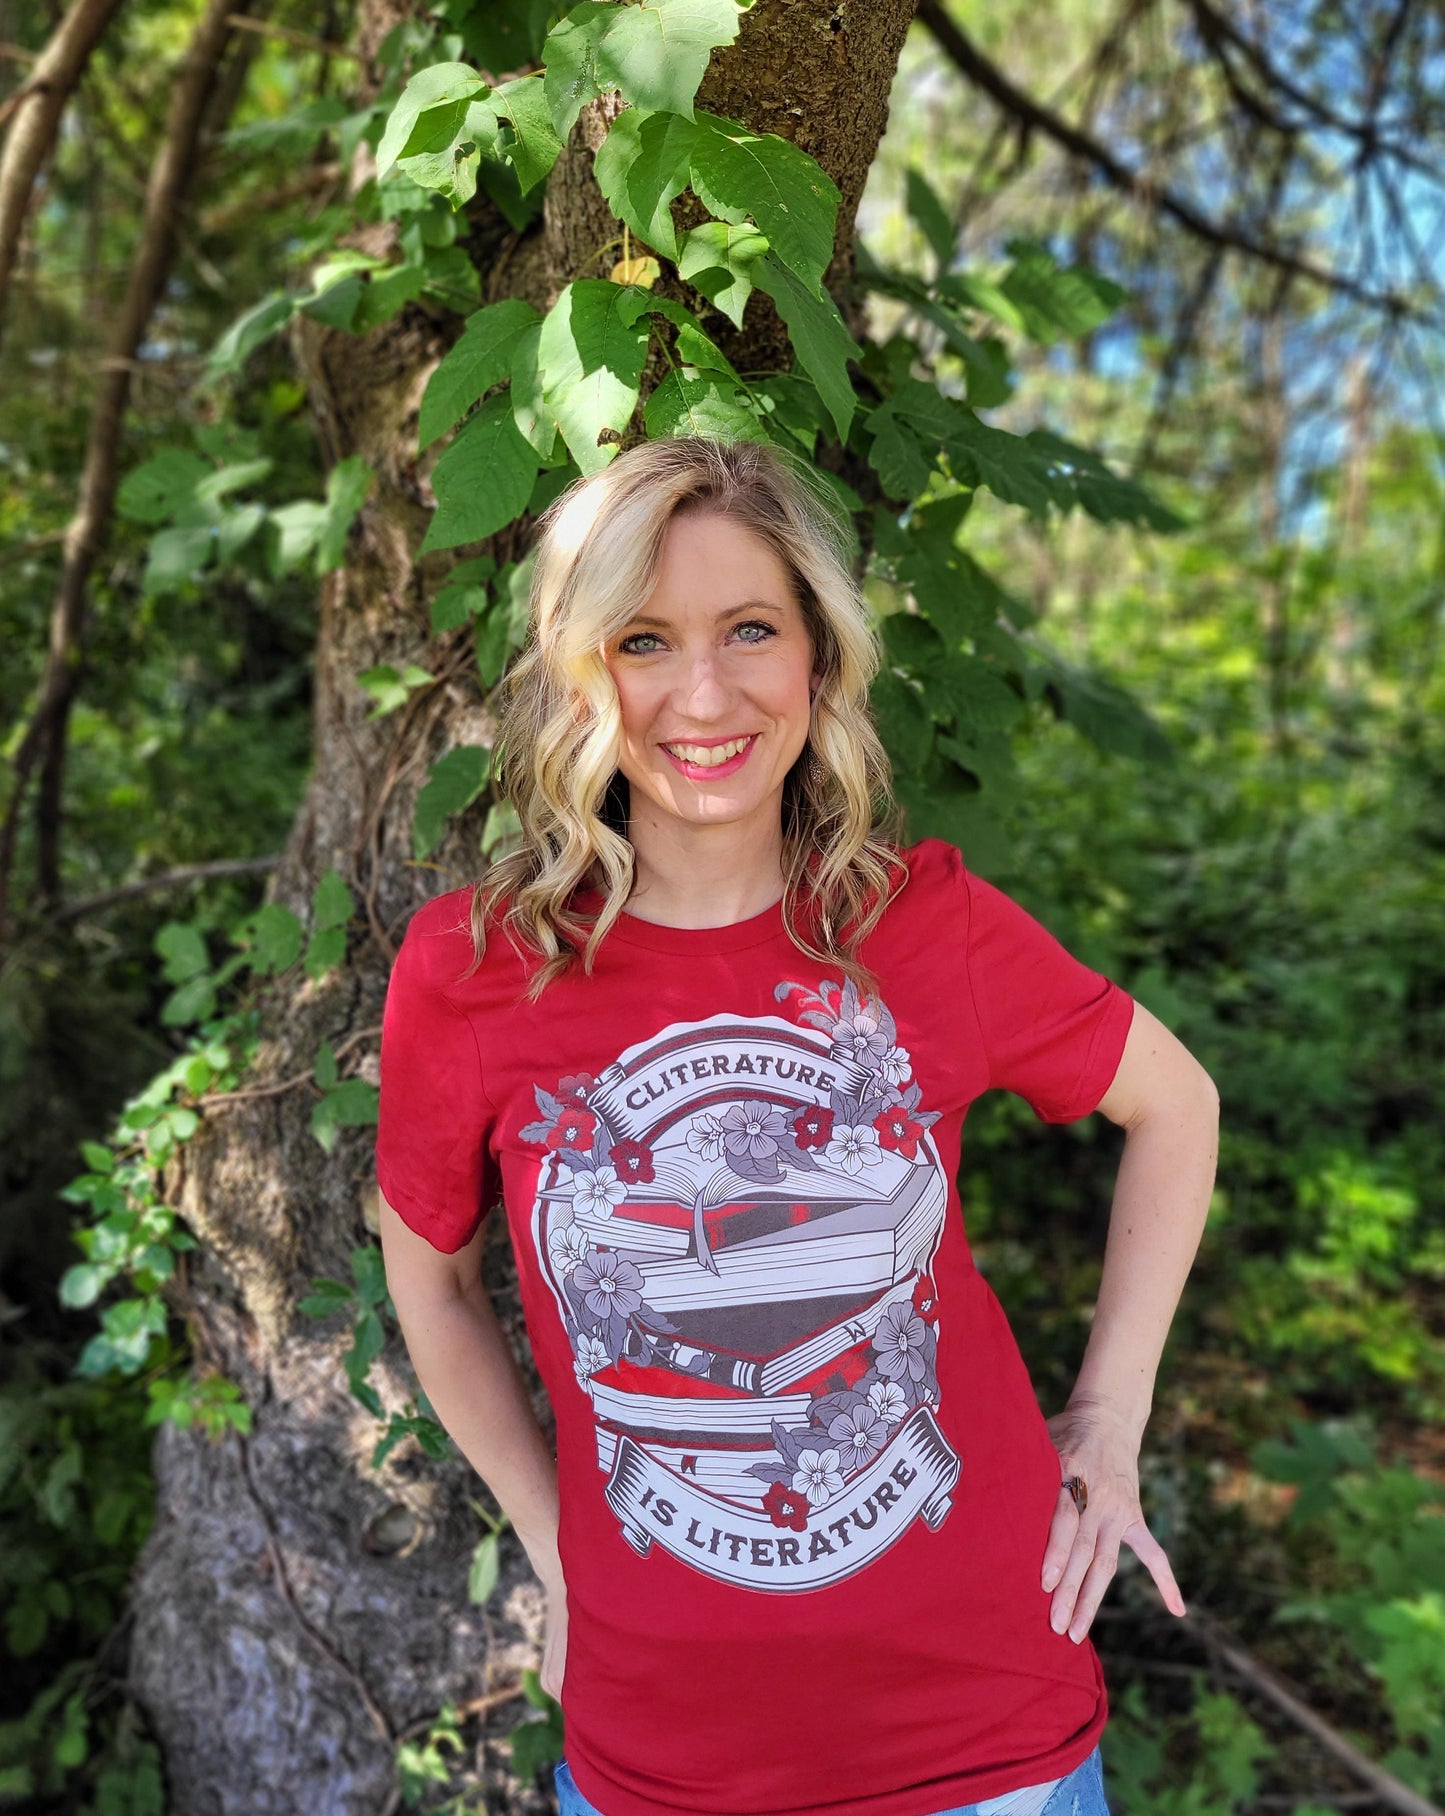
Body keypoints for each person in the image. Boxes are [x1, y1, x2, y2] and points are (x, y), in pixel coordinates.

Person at [375, 436, 1219, 1816]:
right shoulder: (477, 972)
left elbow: (1177, 1104)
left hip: (988, 1735)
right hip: (664, 1755)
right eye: (644, 640)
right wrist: (552, 1542)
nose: (704, 694)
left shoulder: (923, 925)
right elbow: (433, 1285)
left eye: (750, 629)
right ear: (582, 672)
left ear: (818, 658)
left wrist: (1108, 1419)